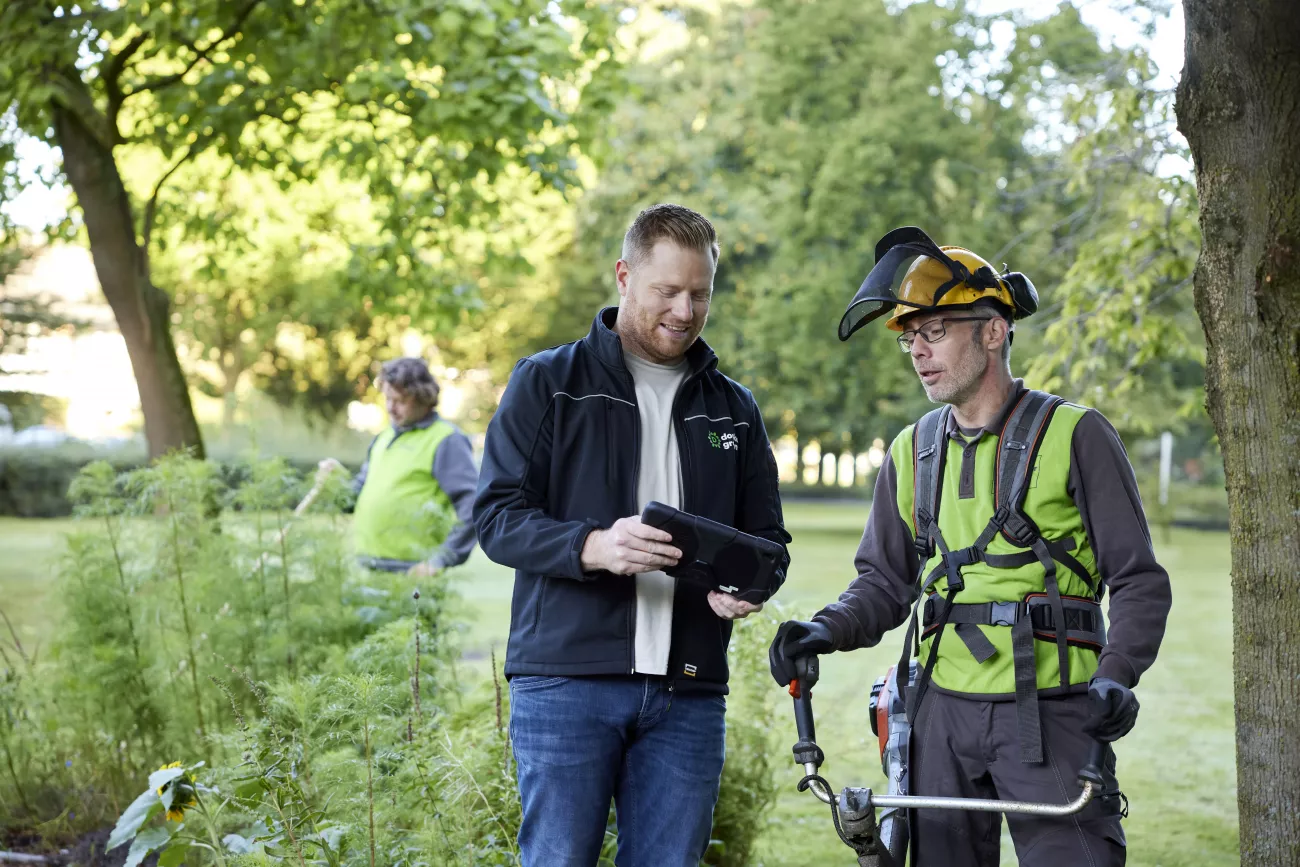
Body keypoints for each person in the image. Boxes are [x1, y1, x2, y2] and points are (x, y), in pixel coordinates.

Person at [768, 228, 1172, 866]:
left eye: (934, 333)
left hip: (1055, 715)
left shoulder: (1077, 435)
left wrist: (1116, 678)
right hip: (939, 717)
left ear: (992, 331)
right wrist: (822, 629)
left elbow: (1139, 581)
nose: (917, 353)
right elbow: (883, 583)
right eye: (909, 338)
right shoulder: (910, 452)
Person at [473, 203, 791, 867]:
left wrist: (748, 587)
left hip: (690, 692)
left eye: (700, 294)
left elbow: (769, 541)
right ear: (624, 277)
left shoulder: (733, 408)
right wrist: (594, 546)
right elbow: (497, 516)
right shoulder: (548, 383)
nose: (685, 309)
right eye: (667, 291)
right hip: (567, 682)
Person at [317, 357, 478, 576]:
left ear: (423, 398)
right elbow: (352, 500)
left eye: (401, 400)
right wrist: (336, 481)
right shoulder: (383, 437)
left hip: (413, 572)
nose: (391, 408)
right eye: (388, 399)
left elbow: (472, 508)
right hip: (368, 566)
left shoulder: (447, 440)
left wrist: (439, 560)